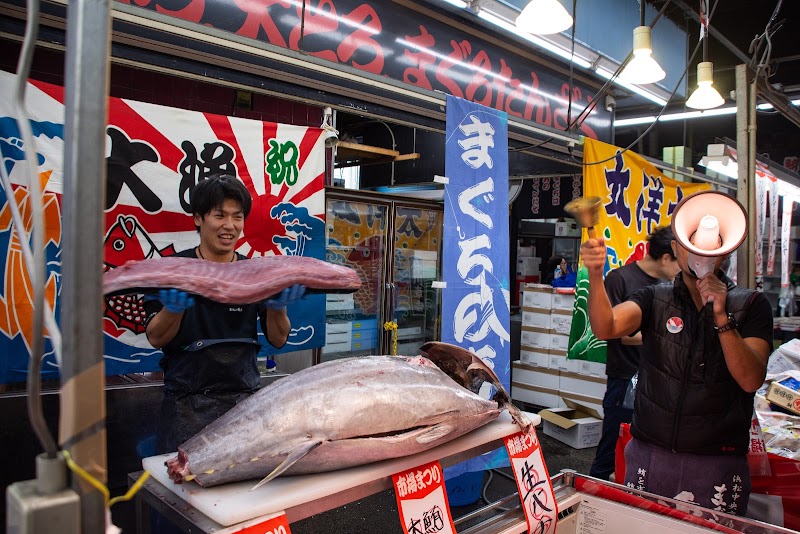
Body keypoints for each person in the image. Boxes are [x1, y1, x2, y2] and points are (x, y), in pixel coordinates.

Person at [581, 200, 772, 516]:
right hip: (651, 449)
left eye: (713, 250)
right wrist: (596, 274)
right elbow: (607, 326)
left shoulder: (751, 304)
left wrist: (722, 315)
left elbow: (750, 379)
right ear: (676, 247)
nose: (702, 255)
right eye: (690, 245)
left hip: (717, 458)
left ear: (725, 253)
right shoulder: (655, 297)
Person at [144, 174, 305, 454]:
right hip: (186, 405)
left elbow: (278, 340)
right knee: (184, 483)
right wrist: (173, 310)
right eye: (219, 215)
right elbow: (155, 338)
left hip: (244, 403)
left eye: (237, 217)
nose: (229, 226)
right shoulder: (172, 270)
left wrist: (278, 306)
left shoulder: (257, 274)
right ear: (198, 218)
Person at [588, 226, 681, 481]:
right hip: (625, 376)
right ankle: (592, 494)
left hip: (659, 377)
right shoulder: (621, 279)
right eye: (679, 263)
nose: (682, 271)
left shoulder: (670, 286)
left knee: (646, 447)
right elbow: (619, 333)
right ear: (665, 257)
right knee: (612, 441)